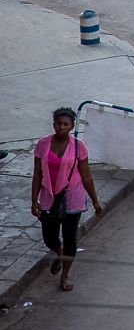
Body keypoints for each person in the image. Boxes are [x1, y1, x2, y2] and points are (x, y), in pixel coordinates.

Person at [31, 107, 103, 292]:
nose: (61, 127)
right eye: (58, 123)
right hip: (49, 197)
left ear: (72, 126)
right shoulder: (43, 144)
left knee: (70, 238)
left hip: (73, 197)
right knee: (49, 238)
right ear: (53, 124)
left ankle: (65, 275)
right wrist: (34, 200)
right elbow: (37, 174)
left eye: (66, 124)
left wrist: (95, 201)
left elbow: (86, 176)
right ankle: (60, 253)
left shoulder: (79, 146)